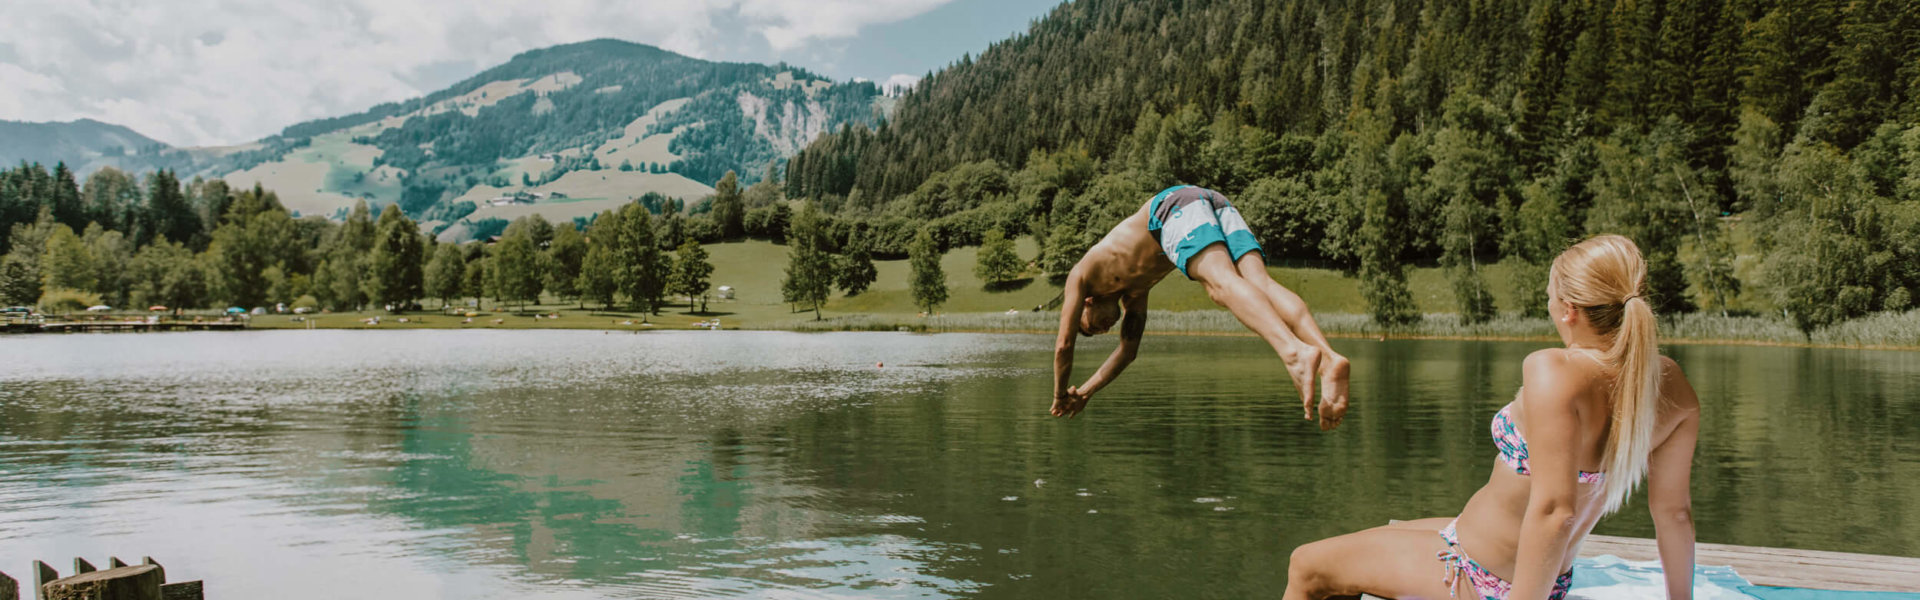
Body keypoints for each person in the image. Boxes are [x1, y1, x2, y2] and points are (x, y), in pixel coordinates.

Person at [1283, 235, 1702, 600]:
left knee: (1306, 565)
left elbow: (1557, 512)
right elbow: (1675, 514)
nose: (1550, 306)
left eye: (1550, 297)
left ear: (1568, 310)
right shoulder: (1670, 383)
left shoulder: (1554, 371)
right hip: (1532, 571)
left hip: (1486, 578)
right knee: (1396, 530)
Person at [1052, 185, 1351, 429]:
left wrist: (1060, 395)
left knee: (1220, 284)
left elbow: (1064, 345)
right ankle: (1328, 361)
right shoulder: (1133, 292)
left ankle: (1294, 353)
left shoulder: (1080, 275)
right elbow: (1127, 352)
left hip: (1171, 209)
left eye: (1090, 325)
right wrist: (1086, 392)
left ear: (1086, 304)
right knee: (1261, 285)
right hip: (1210, 201)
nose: (1102, 329)